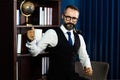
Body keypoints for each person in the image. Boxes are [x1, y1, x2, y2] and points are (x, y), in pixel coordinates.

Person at [26, 5, 93, 80]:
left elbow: (84, 56)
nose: (71, 21)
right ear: (63, 16)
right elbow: (34, 52)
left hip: (72, 77)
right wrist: (30, 41)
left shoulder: (79, 37)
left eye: (74, 18)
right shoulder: (52, 33)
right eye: (68, 17)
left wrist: (88, 66)